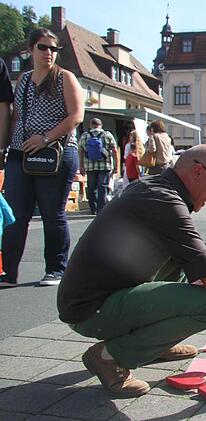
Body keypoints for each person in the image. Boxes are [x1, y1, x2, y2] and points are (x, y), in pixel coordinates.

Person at [57, 145, 206, 397]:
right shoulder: (164, 201)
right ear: (197, 171)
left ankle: (152, 343)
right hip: (89, 312)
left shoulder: (158, 188)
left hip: (97, 297)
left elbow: (204, 258)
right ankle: (109, 357)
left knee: (184, 265)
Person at [1, 28, 84, 288]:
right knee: (15, 214)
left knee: (52, 213)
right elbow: (15, 116)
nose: (48, 53)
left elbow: (76, 116)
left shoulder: (64, 77)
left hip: (55, 151)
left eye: (53, 49)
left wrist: (45, 138)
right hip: (21, 151)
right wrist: (6, 145)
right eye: (43, 47)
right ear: (31, 50)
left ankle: (56, 269)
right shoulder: (24, 80)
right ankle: (9, 273)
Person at [79, 118, 118, 215]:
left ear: (91, 125)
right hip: (105, 165)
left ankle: (93, 208)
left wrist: (81, 166)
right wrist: (116, 165)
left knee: (91, 187)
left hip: (90, 166)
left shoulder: (85, 135)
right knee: (103, 186)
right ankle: (101, 209)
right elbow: (114, 150)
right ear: (101, 125)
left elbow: (80, 151)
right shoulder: (107, 135)